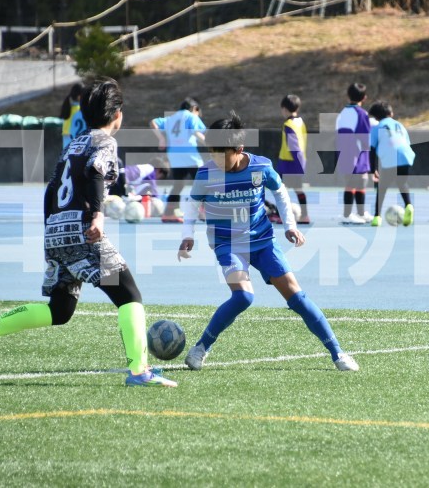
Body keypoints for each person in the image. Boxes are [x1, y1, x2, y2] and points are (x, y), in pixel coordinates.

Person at [0, 78, 176, 387]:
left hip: (57, 233)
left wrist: (51, 233)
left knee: (60, 310)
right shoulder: (105, 141)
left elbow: (51, 190)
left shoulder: (74, 143)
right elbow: (96, 171)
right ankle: (139, 371)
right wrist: (97, 216)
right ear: (117, 114)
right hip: (82, 233)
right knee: (129, 295)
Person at [177, 111, 359, 372]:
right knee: (243, 297)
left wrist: (290, 226)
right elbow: (193, 204)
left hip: (262, 240)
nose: (215, 159)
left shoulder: (260, 167)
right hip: (227, 243)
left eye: (221, 154)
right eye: (211, 153)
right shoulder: (206, 173)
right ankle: (201, 348)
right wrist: (187, 235)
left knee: (297, 297)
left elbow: (280, 192)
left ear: (239, 149)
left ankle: (338, 353)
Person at [149, 97, 206, 223]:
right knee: (203, 181)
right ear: (194, 108)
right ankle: (204, 211)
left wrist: (161, 138)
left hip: (175, 156)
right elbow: (197, 133)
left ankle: (168, 213)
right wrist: (211, 145)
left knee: (178, 184)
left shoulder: (171, 118)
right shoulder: (191, 116)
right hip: (190, 155)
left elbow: (153, 122)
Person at [368, 101, 415, 227]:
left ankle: (377, 217)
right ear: (391, 113)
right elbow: (406, 143)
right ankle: (409, 205)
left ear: (376, 117)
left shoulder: (377, 128)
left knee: (382, 187)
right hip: (406, 156)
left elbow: (371, 150)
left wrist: (373, 169)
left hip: (390, 158)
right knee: (402, 183)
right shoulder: (400, 125)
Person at [335, 82, 372, 225]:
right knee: (354, 183)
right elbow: (365, 137)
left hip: (346, 152)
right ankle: (346, 214)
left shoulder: (342, 113)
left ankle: (361, 213)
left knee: (359, 182)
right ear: (364, 97)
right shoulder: (362, 114)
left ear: (348, 96)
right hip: (356, 152)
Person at [274, 94, 310, 224]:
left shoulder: (288, 124)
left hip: (288, 163)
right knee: (298, 189)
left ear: (284, 109)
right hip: (299, 161)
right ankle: (304, 215)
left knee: (280, 190)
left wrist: (297, 163)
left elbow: (293, 146)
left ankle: (282, 216)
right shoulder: (301, 122)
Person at [59, 83, 86, 149]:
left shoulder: (67, 107)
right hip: (75, 137)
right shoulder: (80, 109)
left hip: (66, 136)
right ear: (79, 96)